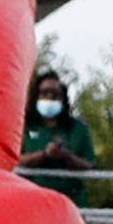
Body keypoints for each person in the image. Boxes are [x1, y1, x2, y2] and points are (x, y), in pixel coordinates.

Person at [18, 70, 97, 204]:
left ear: (63, 98)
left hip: (71, 202)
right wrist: (44, 154)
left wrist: (66, 156)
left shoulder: (78, 128)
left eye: (55, 94)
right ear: (36, 96)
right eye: (44, 93)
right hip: (31, 201)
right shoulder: (24, 126)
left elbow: (89, 164)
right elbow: (15, 161)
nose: (49, 97)